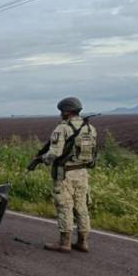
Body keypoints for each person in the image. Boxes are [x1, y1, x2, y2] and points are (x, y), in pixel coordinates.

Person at [39, 97, 98, 253]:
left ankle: (64, 243)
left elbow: (55, 153)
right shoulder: (90, 128)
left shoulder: (62, 128)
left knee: (64, 206)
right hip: (82, 172)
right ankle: (83, 242)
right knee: (81, 206)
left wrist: (43, 159)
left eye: (61, 111)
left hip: (65, 173)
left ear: (66, 111)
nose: (60, 114)